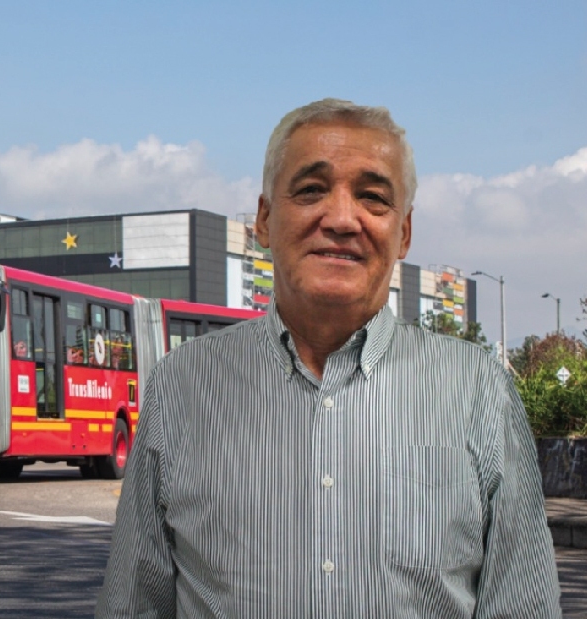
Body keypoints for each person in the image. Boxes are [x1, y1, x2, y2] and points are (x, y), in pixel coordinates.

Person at [96, 99, 561, 617]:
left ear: (403, 233)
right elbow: (134, 604)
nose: (342, 218)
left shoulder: (478, 390)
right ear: (265, 220)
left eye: (373, 197)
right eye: (312, 190)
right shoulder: (183, 385)